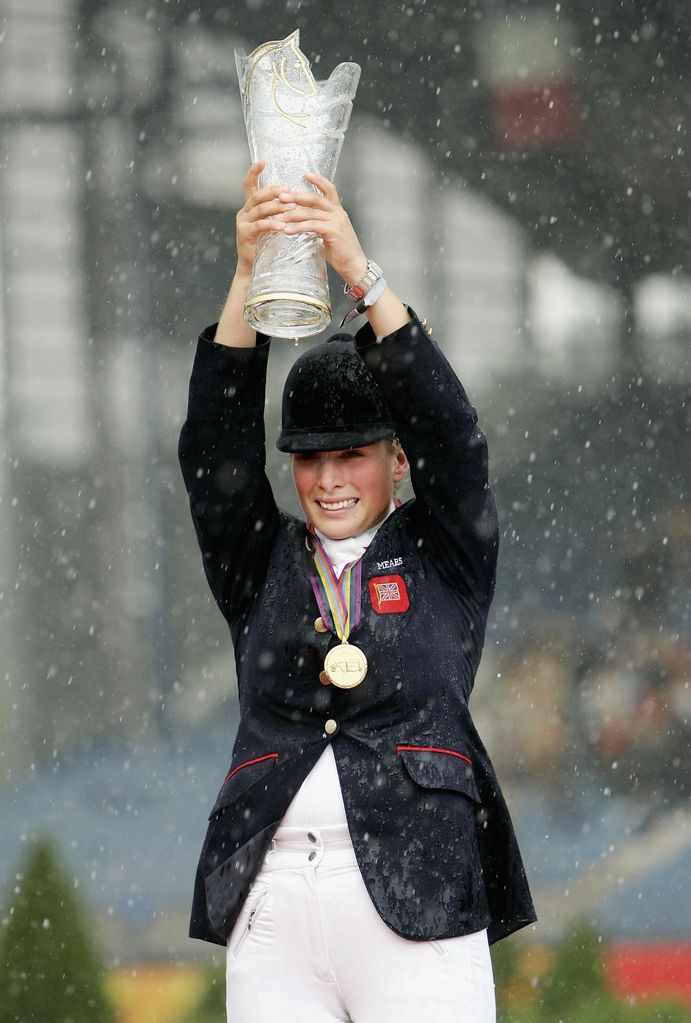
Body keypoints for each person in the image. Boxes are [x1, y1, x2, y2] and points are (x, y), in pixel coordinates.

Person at [178, 161, 536, 1023]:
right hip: (271, 899)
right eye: (310, 457)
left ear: (396, 458)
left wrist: (358, 270)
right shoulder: (259, 560)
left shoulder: (444, 552)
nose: (329, 479)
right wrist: (247, 275)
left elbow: (457, 440)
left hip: (418, 888)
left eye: (352, 455)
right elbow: (212, 457)